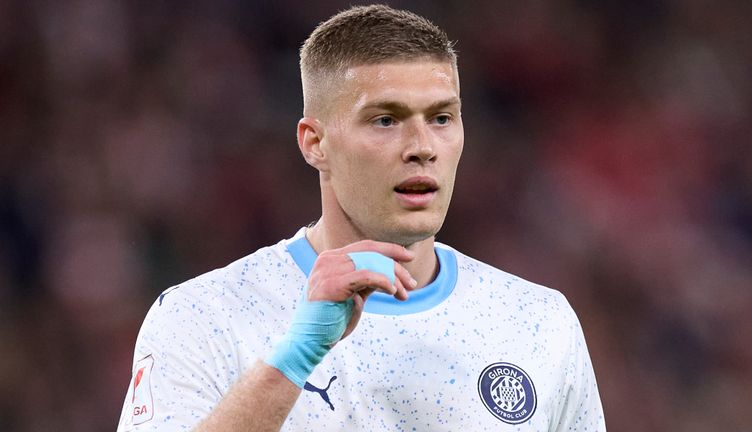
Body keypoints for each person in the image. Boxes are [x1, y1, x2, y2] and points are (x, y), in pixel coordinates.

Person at [117, 5, 605, 431]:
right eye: (385, 120)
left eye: (441, 118)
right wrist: (293, 359)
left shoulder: (538, 322)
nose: (422, 148)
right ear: (315, 143)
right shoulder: (204, 316)